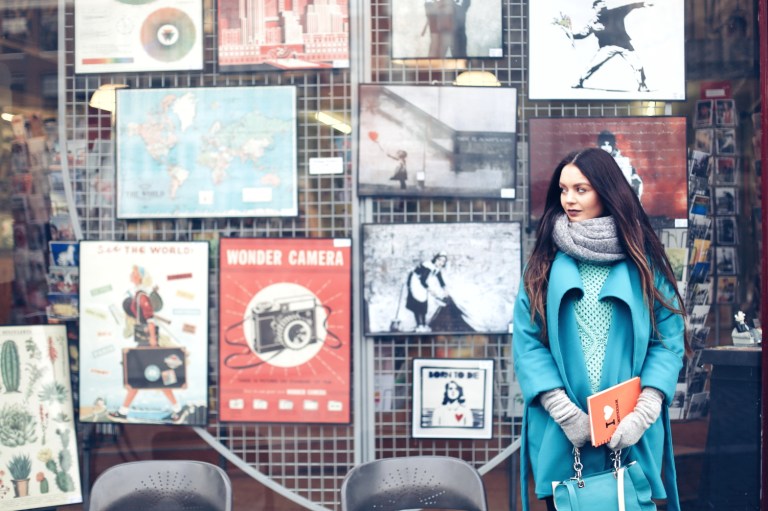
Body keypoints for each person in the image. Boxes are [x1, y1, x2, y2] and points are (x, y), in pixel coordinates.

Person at [512, 148, 686, 511]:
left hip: (630, 429)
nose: (569, 200)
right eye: (563, 190)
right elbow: (527, 343)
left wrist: (646, 409)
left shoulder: (643, 261)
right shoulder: (543, 262)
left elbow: (668, 341)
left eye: (581, 189)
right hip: (564, 432)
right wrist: (562, 409)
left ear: (606, 192)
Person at [109, 265, 188, 424]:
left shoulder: (142, 296)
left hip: (147, 340)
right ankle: (177, 409)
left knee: (144, 376)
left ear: (140, 277)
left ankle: (124, 412)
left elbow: (150, 319)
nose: (131, 274)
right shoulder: (138, 293)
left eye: (134, 272)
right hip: (143, 339)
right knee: (147, 376)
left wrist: (152, 341)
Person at [571, 1, 654, 92]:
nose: (603, 6)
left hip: (624, 45)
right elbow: (583, 34)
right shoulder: (593, 22)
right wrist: (572, 35)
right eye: (600, 5)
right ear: (595, 8)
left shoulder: (616, 12)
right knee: (593, 66)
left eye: (604, 5)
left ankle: (642, 85)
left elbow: (630, 6)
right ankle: (579, 82)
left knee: (637, 65)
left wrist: (642, 4)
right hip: (607, 47)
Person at [405, 252, 449, 332]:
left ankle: (424, 325)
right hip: (415, 283)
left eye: (443, 261)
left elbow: (441, 280)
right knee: (417, 304)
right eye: (439, 260)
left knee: (423, 304)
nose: (441, 263)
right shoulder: (428, 266)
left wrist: (445, 290)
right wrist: (430, 290)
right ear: (436, 259)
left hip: (423, 285)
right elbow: (422, 280)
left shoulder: (436, 269)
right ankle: (419, 326)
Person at [597, 130, 643, 201]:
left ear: (613, 145)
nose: (606, 147)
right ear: (599, 145)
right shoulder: (594, 158)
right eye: (604, 144)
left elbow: (632, 178)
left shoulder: (621, 160)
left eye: (609, 145)